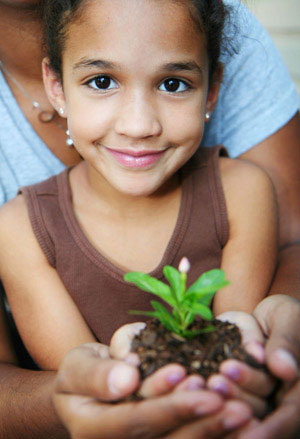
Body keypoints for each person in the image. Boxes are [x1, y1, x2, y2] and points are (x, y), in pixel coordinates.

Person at [0, 0, 299, 438]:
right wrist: (115, 382)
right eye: (102, 81)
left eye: (174, 84)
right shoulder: (20, 231)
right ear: (56, 86)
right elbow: (85, 380)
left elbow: (235, 347)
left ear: (212, 88)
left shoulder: (245, 193)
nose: (139, 125)